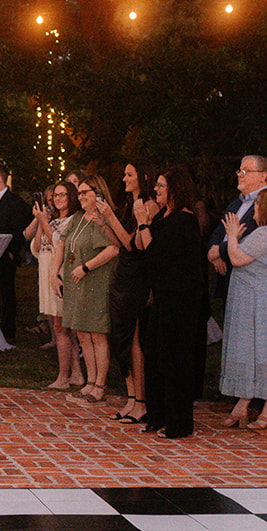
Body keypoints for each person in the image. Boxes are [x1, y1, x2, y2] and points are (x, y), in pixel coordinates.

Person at [133, 166, 207, 439]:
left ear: (175, 190)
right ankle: (157, 415)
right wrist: (146, 222)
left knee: (174, 359)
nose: (155, 190)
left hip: (180, 300)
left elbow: (156, 254)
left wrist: (143, 223)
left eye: (161, 186)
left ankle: (179, 422)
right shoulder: (164, 217)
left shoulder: (185, 220)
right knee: (153, 354)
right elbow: (139, 247)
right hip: (160, 297)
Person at [219, 186, 267, 429]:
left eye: (258, 206)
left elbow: (237, 258)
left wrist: (231, 235)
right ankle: (244, 405)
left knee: (266, 351)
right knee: (253, 352)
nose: (254, 211)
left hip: (264, 303)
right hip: (258, 299)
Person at [53, 176, 119, 400]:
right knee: (82, 333)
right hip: (75, 283)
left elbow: (113, 249)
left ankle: (100, 385)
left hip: (96, 280)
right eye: (79, 193)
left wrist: (86, 267)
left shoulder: (104, 219)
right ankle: (89, 381)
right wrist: (55, 274)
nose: (80, 196)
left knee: (97, 334)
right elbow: (62, 245)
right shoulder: (77, 218)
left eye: (85, 192)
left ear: (98, 193)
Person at [105, 160, 155, 424]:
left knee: (133, 338)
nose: (124, 179)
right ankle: (131, 397)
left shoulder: (149, 205)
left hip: (138, 277)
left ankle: (142, 401)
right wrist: (104, 222)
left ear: (143, 177)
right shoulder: (129, 205)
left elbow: (132, 243)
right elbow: (119, 242)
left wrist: (110, 217)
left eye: (129, 175)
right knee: (121, 338)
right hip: (123, 273)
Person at [28, 182, 81, 389]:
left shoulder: (72, 221)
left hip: (60, 274)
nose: (58, 199)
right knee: (62, 327)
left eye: (63, 195)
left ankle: (63, 377)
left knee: (61, 327)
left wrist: (45, 224)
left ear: (72, 197)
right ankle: (76, 374)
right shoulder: (55, 220)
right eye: (55, 195)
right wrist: (42, 223)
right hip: (46, 272)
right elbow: (36, 247)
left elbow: (60, 244)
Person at [0, 161, 32, 344]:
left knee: (7, 293)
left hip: (5, 254)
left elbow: (19, 229)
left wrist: (12, 252)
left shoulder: (15, 202)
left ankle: (8, 331)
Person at [206, 155, 267, 295]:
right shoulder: (236, 203)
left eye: (246, 171)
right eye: (239, 171)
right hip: (226, 274)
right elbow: (219, 231)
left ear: (263, 176)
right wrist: (215, 252)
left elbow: (251, 237)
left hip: (251, 281)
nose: (240, 175)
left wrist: (219, 251)